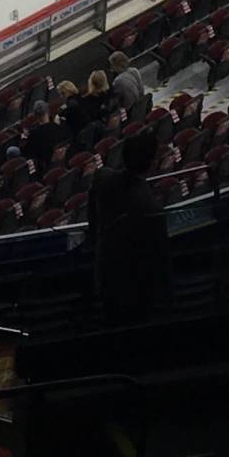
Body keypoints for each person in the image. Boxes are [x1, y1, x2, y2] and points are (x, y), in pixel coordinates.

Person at [85, 130, 171, 324]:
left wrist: (93, 230)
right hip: (137, 287)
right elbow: (160, 259)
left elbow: (95, 192)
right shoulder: (151, 208)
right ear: (151, 163)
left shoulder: (103, 178)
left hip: (106, 274)